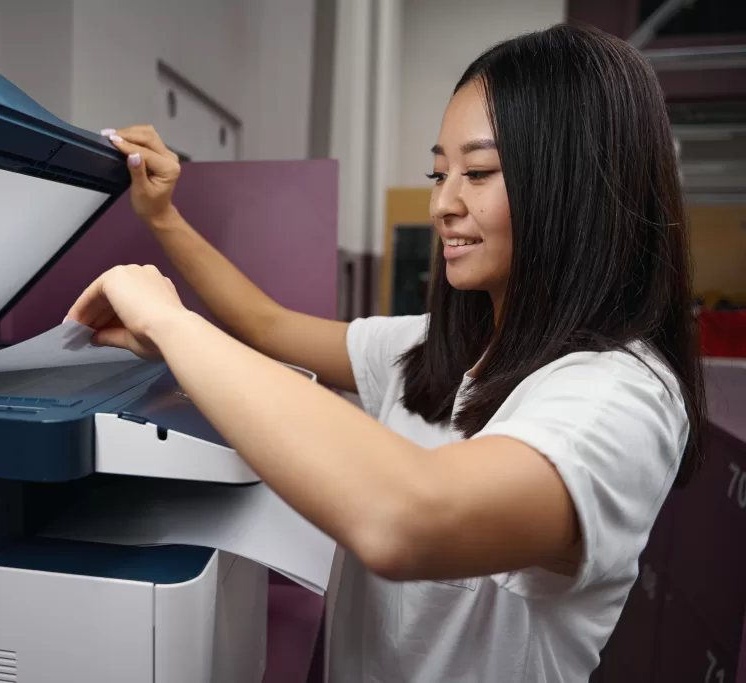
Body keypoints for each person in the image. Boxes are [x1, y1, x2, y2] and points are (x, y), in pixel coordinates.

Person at [66, 24, 703, 683]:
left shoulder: (623, 398)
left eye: (477, 173)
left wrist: (172, 325)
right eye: (438, 172)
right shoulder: (434, 348)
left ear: (577, 185)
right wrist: (162, 216)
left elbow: (410, 516)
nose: (442, 204)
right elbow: (266, 324)